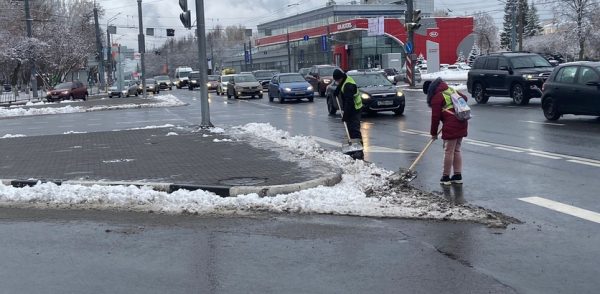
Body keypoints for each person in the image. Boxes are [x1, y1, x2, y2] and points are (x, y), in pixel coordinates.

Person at [426, 77, 469, 185]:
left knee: (449, 151)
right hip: (462, 121)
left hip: (451, 124)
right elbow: (465, 98)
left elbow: (435, 118)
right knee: (457, 150)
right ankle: (457, 176)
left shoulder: (437, 97)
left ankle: (446, 177)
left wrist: (433, 133)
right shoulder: (450, 90)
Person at [332, 68, 364, 160]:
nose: (337, 82)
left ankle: (359, 151)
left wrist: (345, 116)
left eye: (337, 80)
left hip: (355, 109)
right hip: (352, 108)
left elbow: (349, 103)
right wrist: (337, 90)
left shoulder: (348, 86)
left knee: (354, 130)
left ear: (340, 78)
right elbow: (342, 84)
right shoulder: (345, 79)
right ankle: (354, 148)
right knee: (350, 129)